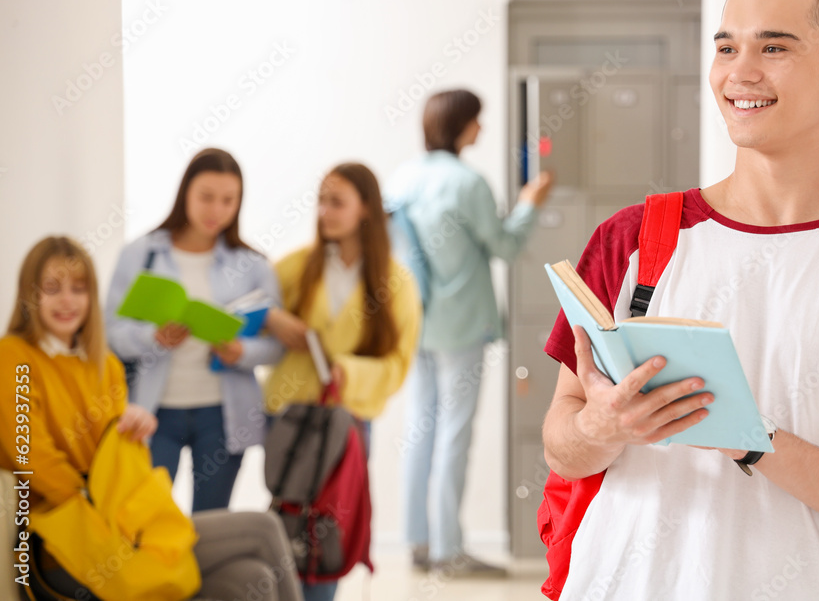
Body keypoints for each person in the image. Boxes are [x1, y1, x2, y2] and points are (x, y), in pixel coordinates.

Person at [541, 0, 819, 601]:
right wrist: (605, 426)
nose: (740, 73)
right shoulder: (634, 238)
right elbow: (560, 445)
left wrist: (754, 441)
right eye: (727, 46)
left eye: (775, 48)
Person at [0, 236, 303, 601]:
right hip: (64, 542)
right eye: (52, 288)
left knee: (249, 579)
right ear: (29, 294)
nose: (67, 300)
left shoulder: (104, 365)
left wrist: (129, 432)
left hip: (120, 524)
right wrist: (103, 511)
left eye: (78, 289)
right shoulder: (13, 357)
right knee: (263, 528)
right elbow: (32, 458)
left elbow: (116, 465)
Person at [392, 89, 554, 576]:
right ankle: (449, 552)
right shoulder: (468, 182)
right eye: (477, 121)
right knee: (454, 434)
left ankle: (420, 544)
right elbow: (504, 246)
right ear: (461, 125)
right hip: (461, 326)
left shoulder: (403, 177)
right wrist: (529, 204)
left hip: (415, 322)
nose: (481, 129)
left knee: (420, 430)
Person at [263, 162, 421, 601]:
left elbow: (397, 364)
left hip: (346, 423)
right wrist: (273, 320)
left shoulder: (396, 283)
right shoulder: (295, 267)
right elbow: (252, 319)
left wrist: (346, 372)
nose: (323, 211)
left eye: (336, 202)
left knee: (326, 528)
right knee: (284, 525)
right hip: (287, 418)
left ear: (365, 209)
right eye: (321, 200)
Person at [105, 148, 283, 512]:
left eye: (228, 200)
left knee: (212, 526)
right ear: (185, 192)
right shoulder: (140, 254)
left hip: (221, 415)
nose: (215, 210)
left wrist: (241, 352)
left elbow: (278, 346)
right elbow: (110, 333)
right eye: (206, 197)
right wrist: (151, 337)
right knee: (148, 521)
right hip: (153, 413)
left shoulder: (253, 265)